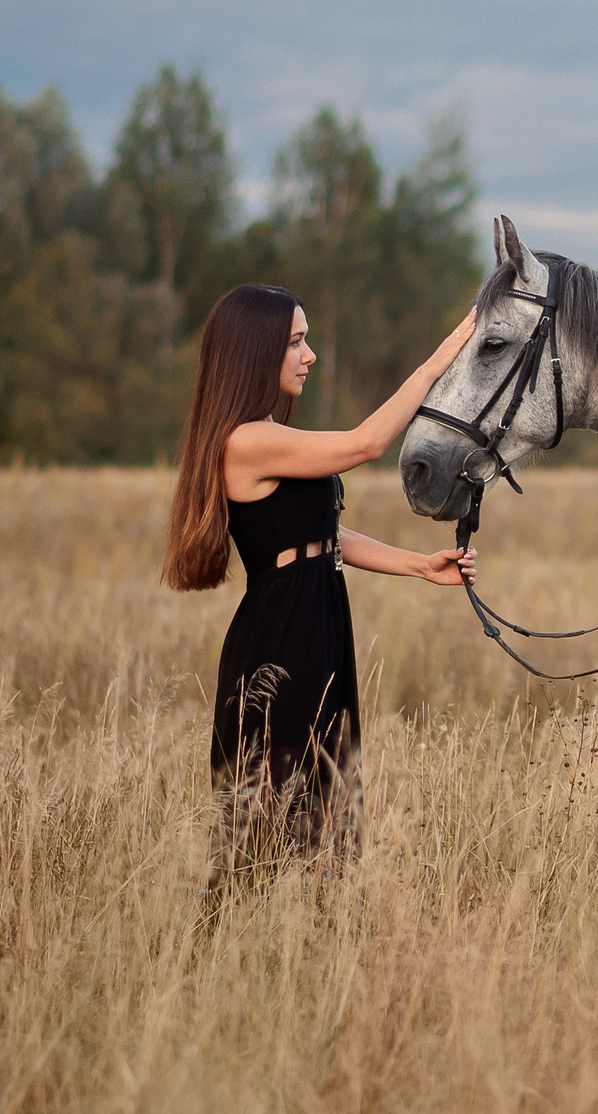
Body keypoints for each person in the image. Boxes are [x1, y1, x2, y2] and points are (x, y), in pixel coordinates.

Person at [164, 283, 477, 867]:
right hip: (284, 641)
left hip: (318, 624)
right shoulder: (248, 441)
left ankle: (309, 946)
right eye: (296, 344)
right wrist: (445, 357)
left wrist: (420, 565)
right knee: (277, 824)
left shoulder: (265, 436)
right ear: (256, 353)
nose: (308, 356)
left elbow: (319, 539)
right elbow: (368, 442)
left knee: (324, 816)